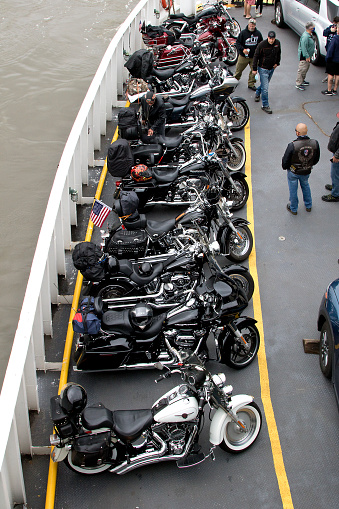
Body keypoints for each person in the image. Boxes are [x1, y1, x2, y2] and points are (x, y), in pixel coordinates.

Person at [282, 123, 320, 214]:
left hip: (293, 171)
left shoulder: (292, 145)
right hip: (306, 170)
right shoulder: (315, 143)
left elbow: (285, 161)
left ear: (298, 133)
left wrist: (288, 167)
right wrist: (309, 165)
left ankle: (293, 208)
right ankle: (308, 205)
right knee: (305, 185)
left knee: (293, 190)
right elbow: (316, 159)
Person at [252, 30, 281, 114]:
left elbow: (278, 53)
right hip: (263, 68)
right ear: (267, 37)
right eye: (270, 38)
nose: (271, 40)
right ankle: (265, 105)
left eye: (273, 38)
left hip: (271, 68)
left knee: (265, 83)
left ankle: (257, 92)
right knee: (265, 88)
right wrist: (254, 69)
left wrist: (277, 63)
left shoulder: (277, 43)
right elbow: (256, 56)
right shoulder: (262, 45)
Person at [234, 19, 263, 91]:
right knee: (239, 69)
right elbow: (237, 43)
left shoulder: (258, 34)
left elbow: (261, 44)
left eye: (253, 25)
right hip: (243, 57)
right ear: (248, 25)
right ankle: (235, 80)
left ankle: (251, 84)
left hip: (254, 57)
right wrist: (243, 50)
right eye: (250, 25)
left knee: (254, 70)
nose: (252, 27)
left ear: (255, 25)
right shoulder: (243, 33)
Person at [322, 112, 339, 202]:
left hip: (337, 155)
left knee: (335, 173)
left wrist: (336, 156)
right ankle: (336, 186)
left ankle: (335, 194)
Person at [295, 22, 315, 91]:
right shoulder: (305, 36)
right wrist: (307, 56)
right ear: (310, 28)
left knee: (305, 69)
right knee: (302, 69)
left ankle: (302, 80)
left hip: (307, 55)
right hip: (304, 56)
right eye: (313, 28)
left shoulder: (309, 35)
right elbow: (304, 47)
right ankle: (298, 83)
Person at [322, 23, 339, 96]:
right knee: (337, 75)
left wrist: (327, 59)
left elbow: (330, 50)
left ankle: (329, 90)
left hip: (332, 60)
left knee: (331, 75)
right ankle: (335, 89)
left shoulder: (335, 39)